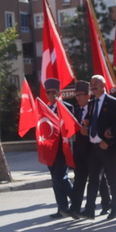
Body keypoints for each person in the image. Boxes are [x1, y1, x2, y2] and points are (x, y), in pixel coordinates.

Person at [79, 75, 116, 220]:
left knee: (111, 180)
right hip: (94, 148)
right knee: (93, 180)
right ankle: (89, 210)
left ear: (104, 85)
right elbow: (93, 121)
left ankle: (114, 209)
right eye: (91, 84)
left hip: (107, 148)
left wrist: (108, 142)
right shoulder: (91, 103)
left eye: (96, 83)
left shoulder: (113, 103)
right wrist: (86, 125)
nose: (93, 86)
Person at [68, 80, 109, 218]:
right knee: (80, 179)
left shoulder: (94, 108)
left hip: (94, 151)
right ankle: (74, 208)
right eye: (76, 95)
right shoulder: (76, 110)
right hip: (80, 152)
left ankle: (105, 204)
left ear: (88, 95)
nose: (78, 97)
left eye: (81, 94)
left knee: (97, 179)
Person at [43, 78, 74, 219]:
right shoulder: (45, 109)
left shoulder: (67, 107)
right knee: (54, 179)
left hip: (62, 149)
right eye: (48, 92)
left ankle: (76, 201)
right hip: (50, 150)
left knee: (60, 177)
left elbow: (70, 127)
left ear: (59, 92)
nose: (51, 95)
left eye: (53, 92)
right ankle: (62, 207)